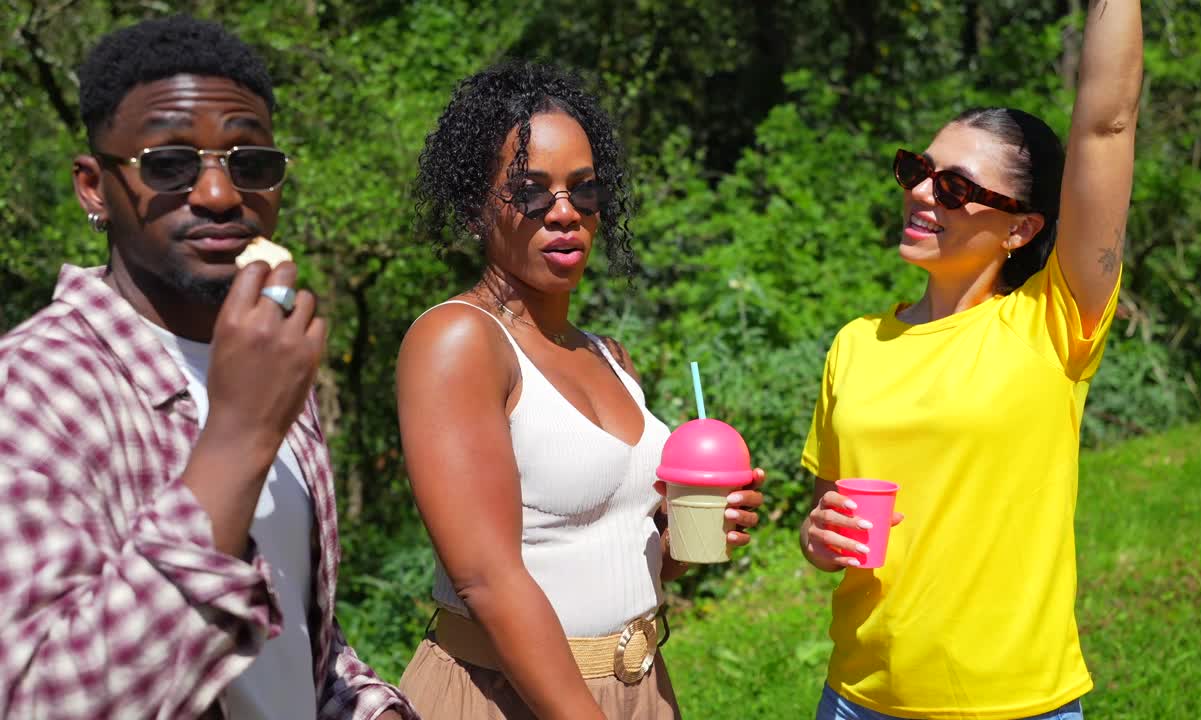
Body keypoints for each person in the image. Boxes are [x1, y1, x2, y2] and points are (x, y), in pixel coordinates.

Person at [0, 16, 415, 720]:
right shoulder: (34, 387)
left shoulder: (269, 355)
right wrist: (239, 436)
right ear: (94, 187)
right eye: (169, 163)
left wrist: (373, 707)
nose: (221, 195)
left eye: (250, 162)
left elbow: (291, 632)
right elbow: (42, 698)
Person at [799, 2, 1143, 719]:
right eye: (918, 169)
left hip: (1016, 705)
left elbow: (1106, 124)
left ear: (1020, 227)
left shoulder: (1053, 324)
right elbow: (832, 512)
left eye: (955, 187)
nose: (922, 193)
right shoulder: (856, 344)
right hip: (857, 699)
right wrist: (816, 536)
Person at [394, 61, 766, 719]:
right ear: (474, 205)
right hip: (507, 695)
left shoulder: (607, 357)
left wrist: (690, 533)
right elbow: (486, 579)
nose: (564, 213)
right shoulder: (459, 342)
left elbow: (620, 550)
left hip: (639, 688)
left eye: (584, 191)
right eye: (531, 192)